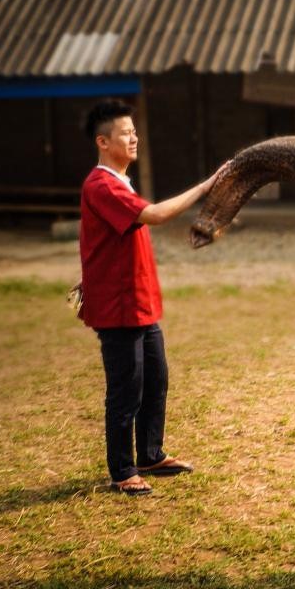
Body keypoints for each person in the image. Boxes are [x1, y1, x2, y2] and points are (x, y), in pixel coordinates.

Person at [79, 100, 224, 495]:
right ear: (103, 142)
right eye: (126, 133)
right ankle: (122, 471)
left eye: (134, 131)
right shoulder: (102, 185)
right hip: (118, 308)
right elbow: (157, 215)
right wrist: (206, 186)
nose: (134, 137)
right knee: (126, 390)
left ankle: (150, 454)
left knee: (155, 380)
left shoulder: (121, 182)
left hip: (140, 303)